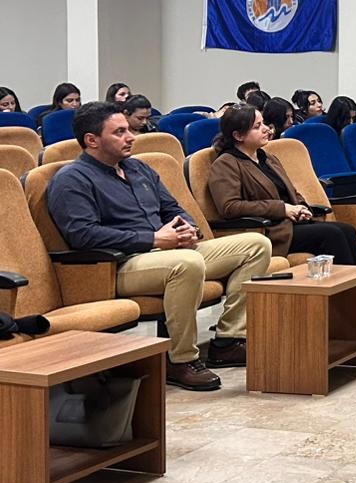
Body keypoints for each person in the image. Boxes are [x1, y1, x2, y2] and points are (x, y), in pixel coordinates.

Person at [46, 102, 272, 390]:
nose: (131, 137)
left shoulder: (138, 168)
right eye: (119, 132)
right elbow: (83, 235)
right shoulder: (71, 179)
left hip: (167, 249)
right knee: (186, 263)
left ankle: (229, 340)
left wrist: (187, 229)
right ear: (92, 140)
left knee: (256, 245)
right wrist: (153, 239)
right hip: (119, 265)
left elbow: (172, 209)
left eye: (128, 130)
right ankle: (180, 359)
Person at [207, 105, 356, 326]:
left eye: (264, 123)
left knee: (347, 231)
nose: (266, 129)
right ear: (238, 135)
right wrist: (282, 209)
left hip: (290, 222)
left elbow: (291, 191)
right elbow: (230, 207)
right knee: (332, 235)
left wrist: (301, 207)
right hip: (267, 231)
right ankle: (351, 307)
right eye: (257, 127)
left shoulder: (267, 158)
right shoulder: (226, 163)